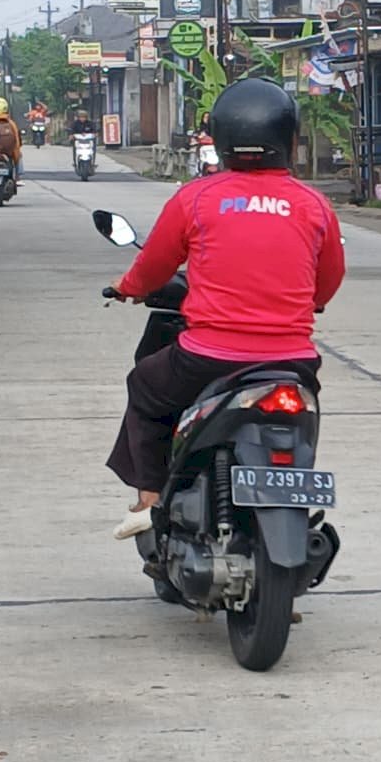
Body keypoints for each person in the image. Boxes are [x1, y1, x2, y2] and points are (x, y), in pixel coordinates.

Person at [105, 78, 345, 539]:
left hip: (206, 358)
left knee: (145, 386)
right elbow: (328, 279)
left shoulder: (197, 198)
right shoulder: (314, 204)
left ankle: (149, 499)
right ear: (290, 140)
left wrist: (127, 287)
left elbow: (153, 266)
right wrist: (310, 302)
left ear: (220, 139)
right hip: (291, 363)